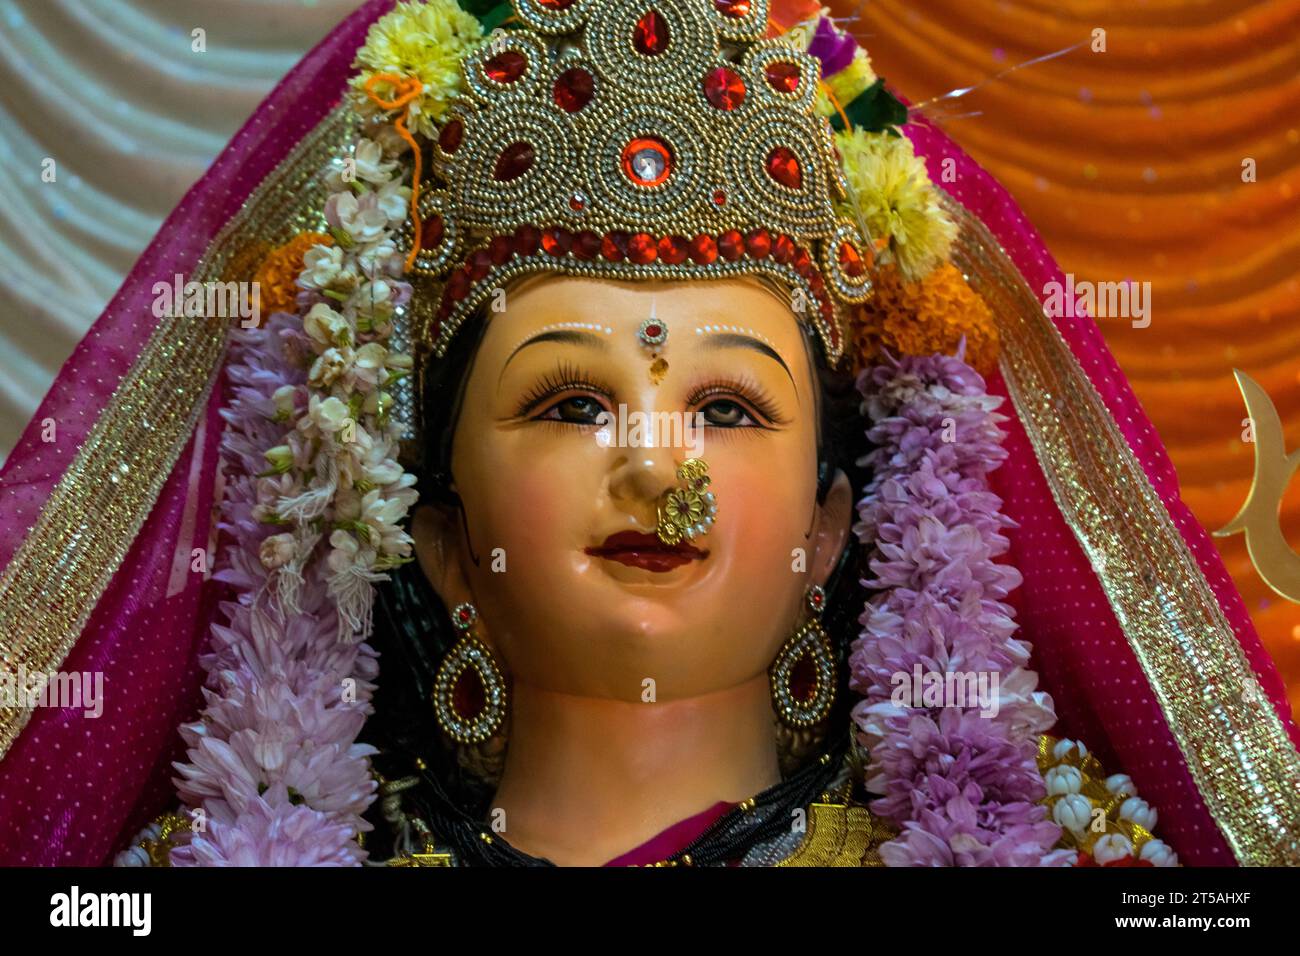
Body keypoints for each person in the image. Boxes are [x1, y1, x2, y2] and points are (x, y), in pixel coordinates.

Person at [0, 0, 1296, 867]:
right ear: (439, 539)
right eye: (570, 402)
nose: (657, 467)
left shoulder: (1077, 856)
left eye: (728, 407)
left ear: (838, 530)